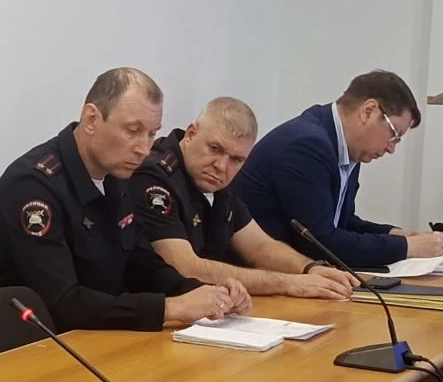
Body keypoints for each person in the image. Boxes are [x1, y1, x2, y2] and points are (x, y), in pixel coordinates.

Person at [0, 67, 250, 331]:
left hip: (82, 339)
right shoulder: (33, 188)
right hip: (6, 345)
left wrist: (203, 293)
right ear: (92, 119)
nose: (144, 149)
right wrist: (171, 308)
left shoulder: (115, 176)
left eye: (151, 134)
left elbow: (140, 262)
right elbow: (64, 303)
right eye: (133, 131)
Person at [132, 97, 360, 299]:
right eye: (215, 149)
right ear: (191, 134)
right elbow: (186, 268)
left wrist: (310, 269)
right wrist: (288, 283)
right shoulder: (154, 175)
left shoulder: (216, 182)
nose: (222, 166)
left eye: (237, 159)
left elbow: (260, 247)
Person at [230, 71, 443, 268]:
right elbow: (321, 242)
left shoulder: (347, 146)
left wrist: (396, 235)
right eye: (394, 135)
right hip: (255, 276)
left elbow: (342, 222)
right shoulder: (307, 145)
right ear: (368, 111)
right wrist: (406, 248)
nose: (391, 148)